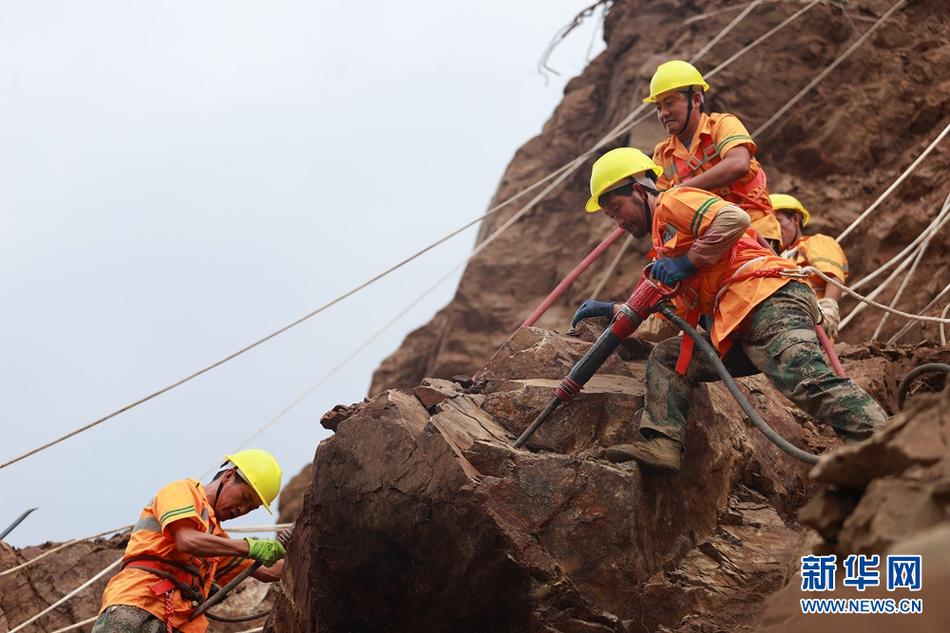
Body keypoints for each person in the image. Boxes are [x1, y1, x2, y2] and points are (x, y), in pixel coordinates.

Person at [572, 148, 886, 472]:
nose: (619, 221)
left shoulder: (672, 202)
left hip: (768, 299)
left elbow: (734, 219)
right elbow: (672, 318)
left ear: (639, 191)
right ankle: (663, 443)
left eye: (616, 208)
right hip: (738, 325)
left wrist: (688, 262)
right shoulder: (665, 246)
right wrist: (614, 310)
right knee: (669, 357)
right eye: (611, 216)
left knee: (807, 381)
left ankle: (890, 444)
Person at [92, 449, 287, 633]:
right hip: (138, 604)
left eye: (251, 508)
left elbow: (267, 570)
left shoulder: (216, 539)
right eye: (245, 498)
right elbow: (186, 540)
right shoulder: (182, 492)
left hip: (179, 622)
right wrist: (248, 547)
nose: (242, 510)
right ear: (228, 476)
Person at [646, 60, 783, 251]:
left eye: (669, 103)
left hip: (754, 229)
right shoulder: (662, 155)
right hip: (708, 240)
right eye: (658, 107)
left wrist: (678, 191)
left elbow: (738, 164)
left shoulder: (722, 125)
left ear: (695, 99)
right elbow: (659, 208)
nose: (663, 113)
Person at [772, 193, 848, 339]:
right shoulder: (772, 257)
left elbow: (832, 276)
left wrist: (828, 312)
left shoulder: (816, 242)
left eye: (778, 221)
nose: (774, 229)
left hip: (810, 322)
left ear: (795, 219)